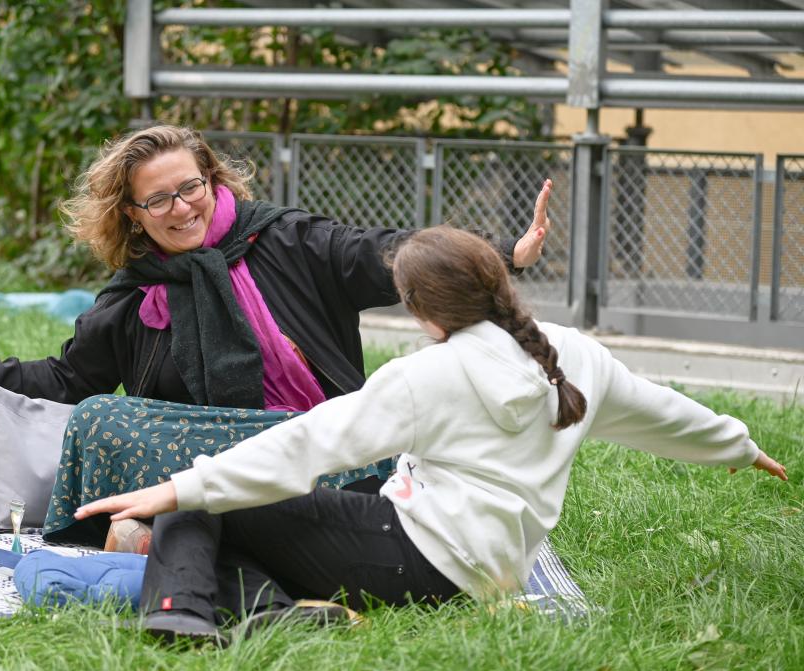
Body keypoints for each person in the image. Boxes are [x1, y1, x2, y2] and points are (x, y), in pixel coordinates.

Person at [74, 225, 788, 644]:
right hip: (482, 566)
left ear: (420, 308)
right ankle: (285, 615)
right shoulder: (574, 352)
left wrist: (175, 487)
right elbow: (659, 410)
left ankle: (179, 617)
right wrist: (738, 445)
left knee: (201, 502)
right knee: (239, 507)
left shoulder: (427, 375)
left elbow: (305, 445)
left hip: (418, 557)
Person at [0, 125, 553, 546]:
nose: (180, 207)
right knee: (101, 415)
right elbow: (67, 379)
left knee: (319, 452)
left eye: (189, 187)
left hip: (325, 440)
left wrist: (504, 251)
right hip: (209, 450)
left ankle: (170, 526)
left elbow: (393, 254)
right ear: (133, 214)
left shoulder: (288, 239)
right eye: (158, 199)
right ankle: (188, 522)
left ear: (211, 179)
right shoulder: (136, 290)